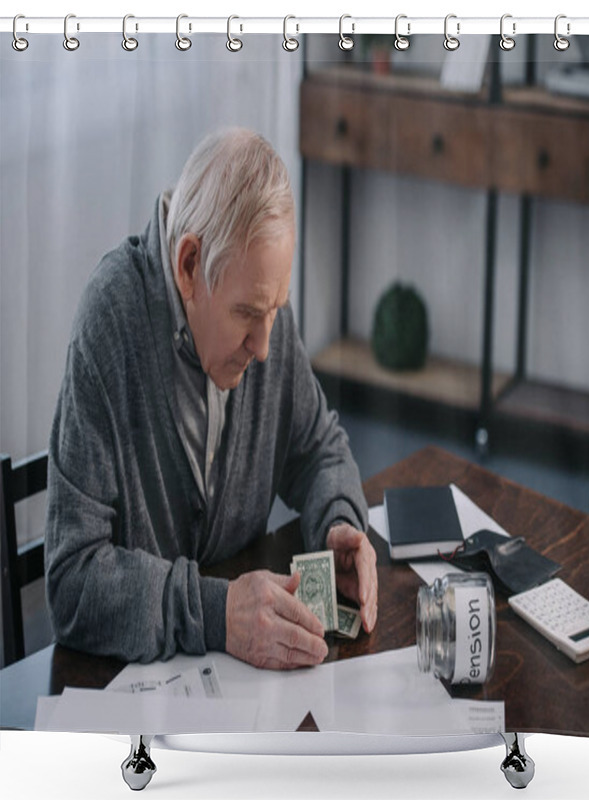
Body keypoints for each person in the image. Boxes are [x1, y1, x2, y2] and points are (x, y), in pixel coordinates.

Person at [44, 128, 378, 670]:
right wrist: (219, 614)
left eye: (276, 310)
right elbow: (72, 582)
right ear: (190, 265)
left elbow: (319, 452)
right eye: (247, 314)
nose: (266, 347)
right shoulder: (110, 322)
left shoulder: (262, 303)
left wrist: (338, 522)